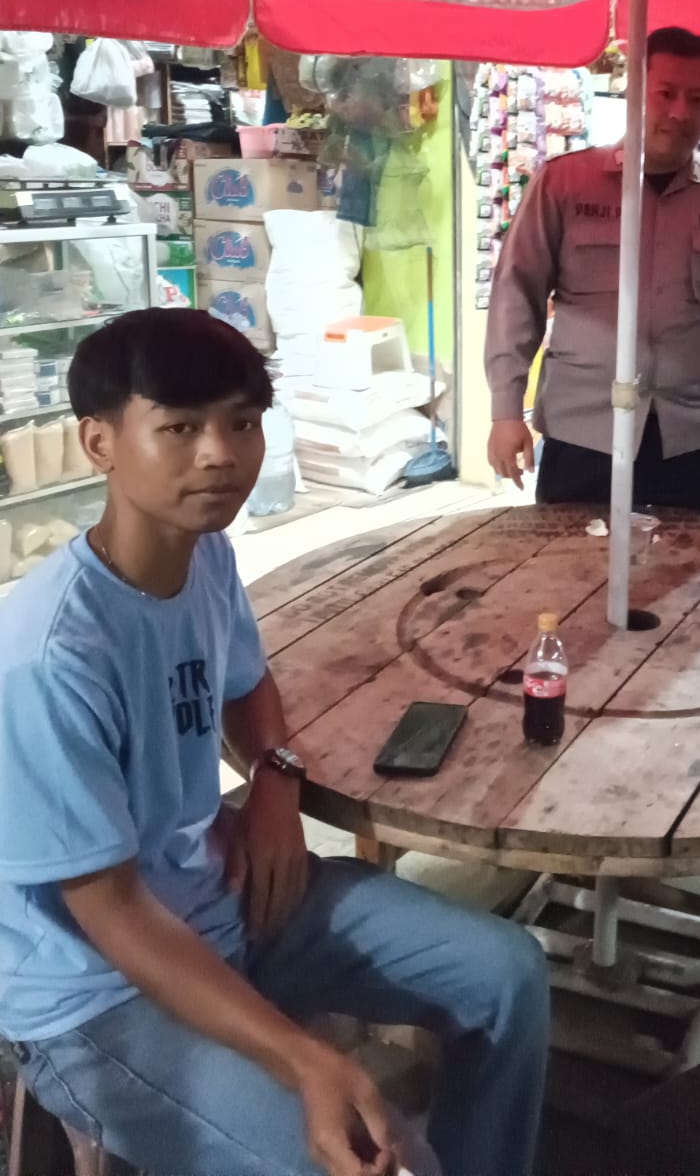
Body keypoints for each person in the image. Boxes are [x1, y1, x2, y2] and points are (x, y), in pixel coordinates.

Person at [0, 310, 548, 1176]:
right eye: (180, 428)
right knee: (357, 1153)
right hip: (96, 995)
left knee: (507, 976)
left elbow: (246, 684)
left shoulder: (205, 554)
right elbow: (114, 916)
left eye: (243, 423)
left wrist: (275, 785)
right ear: (99, 443)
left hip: (224, 897)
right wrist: (302, 1058)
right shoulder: (49, 656)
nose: (221, 454)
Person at [486, 27, 700, 510]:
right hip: (582, 431)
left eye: (697, 99)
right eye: (665, 93)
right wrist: (505, 410)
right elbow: (516, 293)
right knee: (570, 556)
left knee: (684, 559)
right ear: (634, 93)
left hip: (684, 440)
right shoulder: (564, 184)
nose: (680, 112)